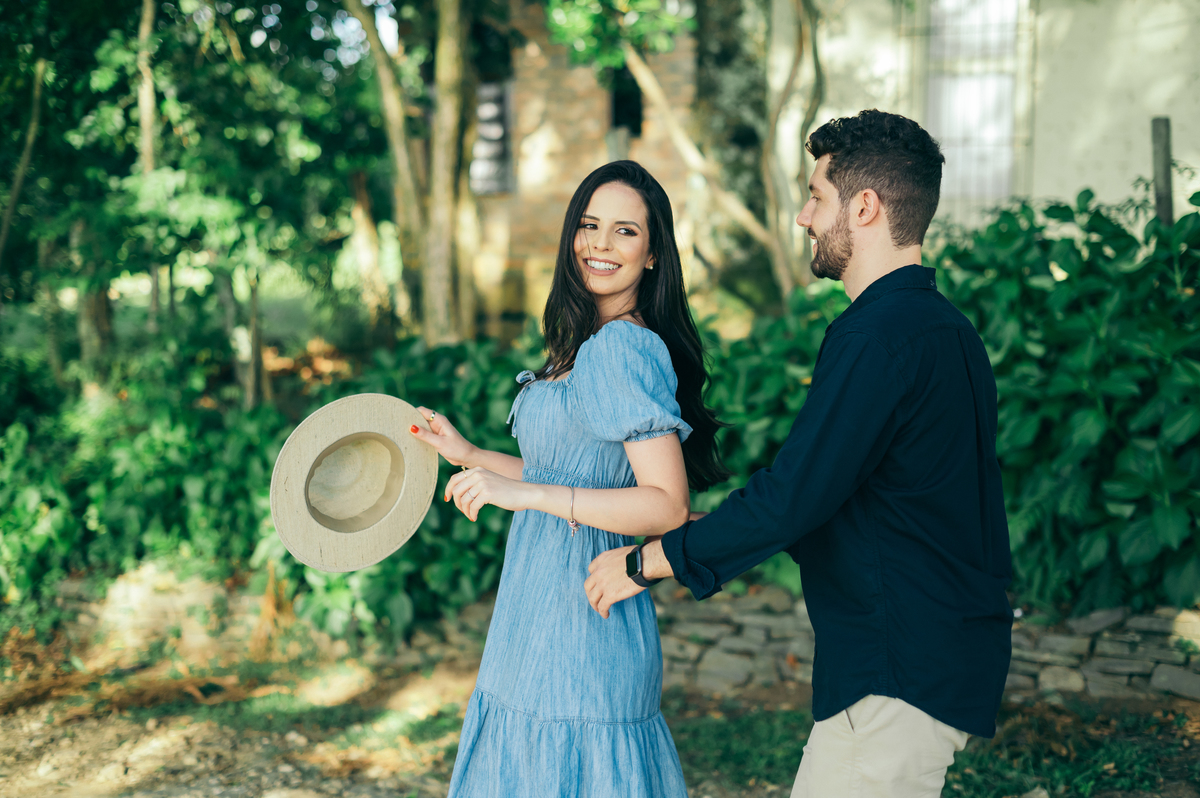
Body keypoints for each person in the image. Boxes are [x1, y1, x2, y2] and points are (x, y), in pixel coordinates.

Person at [584, 110, 1013, 798]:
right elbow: (864, 500)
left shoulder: (877, 337)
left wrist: (648, 562)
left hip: (895, 665)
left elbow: (795, 498)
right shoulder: (946, 329)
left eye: (817, 196)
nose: (803, 217)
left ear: (865, 207)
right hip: (936, 653)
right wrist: (706, 532)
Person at [408, 160, 728, 797]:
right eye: (589, 225)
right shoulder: (588, 341)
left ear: (654, 254)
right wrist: (469, 453)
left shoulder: (623, 348)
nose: (600, 244)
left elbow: (666, 506)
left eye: (625, 232)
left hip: (582, 617)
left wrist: (524, 494)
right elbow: (568, 474)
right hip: (536, 609)